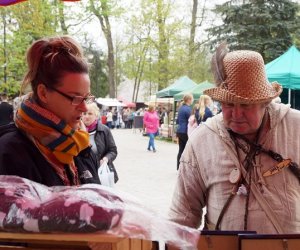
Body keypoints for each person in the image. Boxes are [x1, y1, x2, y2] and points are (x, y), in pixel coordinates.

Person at [169, 44, 300, 234]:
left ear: (265, 102)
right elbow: (181, 217)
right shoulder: (202, 140)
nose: (236, 113)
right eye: (229, 104)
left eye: (246, 105)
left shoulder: (295, 128)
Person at [0, 35, 100, 186]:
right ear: (43, 93)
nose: (84, 107)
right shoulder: (10, 153)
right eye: (75, 98)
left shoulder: (80, 142)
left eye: (86, 98)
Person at [82, 102, 118, 182]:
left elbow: (113, 151)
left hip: (101, 174)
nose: (86, 116)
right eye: (84, 113)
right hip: (84, 176)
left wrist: (106, 159)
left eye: (90, 113)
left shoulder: (104, 130)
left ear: (96, 115)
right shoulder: (77, 131)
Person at [176, 93, 193, 170]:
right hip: (185, 131)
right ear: (189, 100)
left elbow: (177, 120)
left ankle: (178, 166)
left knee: (181, 149)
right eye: (191, 99)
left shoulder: (181, 108)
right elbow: (191, 120)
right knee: (188, 150)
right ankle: (185, 168)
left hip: (179, 131)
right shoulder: (188, 109)